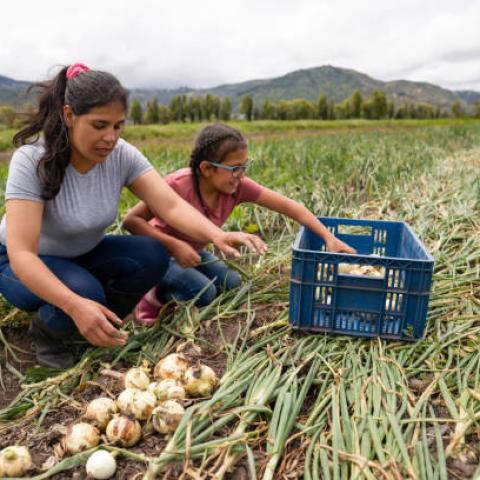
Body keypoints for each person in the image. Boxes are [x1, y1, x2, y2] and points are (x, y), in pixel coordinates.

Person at [0, 65, 265, 369]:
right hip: (18, 263)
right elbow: (22, 253)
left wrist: (217, 235)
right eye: (99, 125)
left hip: (83, 254)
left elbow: (171, 206)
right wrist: (75, 304)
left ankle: (100, 322)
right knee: (83, 292)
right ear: (69, 115)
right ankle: (50, 334)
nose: (110, 137)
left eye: (118, 126)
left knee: (152, 253)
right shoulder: (33, 159)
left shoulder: (121, 154)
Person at [124, 123, 355, 326]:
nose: (240, 175)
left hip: (193, 252)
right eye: (234, 168)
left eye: (244, 166)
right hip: (159, 255)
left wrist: (329, 238)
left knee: (231, 284)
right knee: (204, 293)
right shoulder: (177, 184)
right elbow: (131, 221)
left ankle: (178, 289)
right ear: (206, 168)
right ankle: (152, 298)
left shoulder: (238, 187)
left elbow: (289, 206)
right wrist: (174, 246)